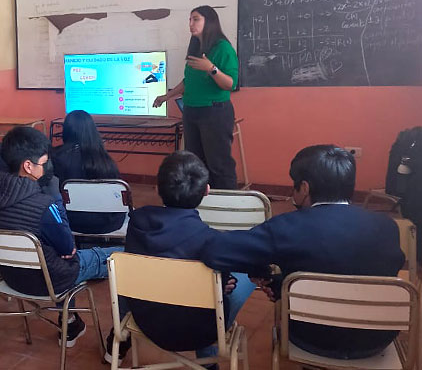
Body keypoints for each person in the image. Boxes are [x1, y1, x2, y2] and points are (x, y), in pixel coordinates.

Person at [201, 145, 405, 360]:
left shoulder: (286, 227)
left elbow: (216, 251)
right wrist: (285, 282)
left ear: (305, 188)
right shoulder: (386, 226)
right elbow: (351, 268)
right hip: (377, 338)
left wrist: (270, 275)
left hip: (310, 338)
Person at [0, 126, 122, 347]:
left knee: (52, 253)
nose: (47, 168)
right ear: (28, 166)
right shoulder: (45, 204)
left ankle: (71, 321)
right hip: (49, 280)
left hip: (9, 276)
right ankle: (121, 339)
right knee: (122, 256)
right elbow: (67, 249)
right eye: (44, 163)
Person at [115, 150, 254, 367]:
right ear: (207, 191)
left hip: (146, 322)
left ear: (157, 188)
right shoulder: (212, 240)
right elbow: (223, 284)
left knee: (207, 287)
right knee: (244, 276)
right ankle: (208, 361)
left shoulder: (137, 222)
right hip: (201, 331)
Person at [153, 5, 239, 189]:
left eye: (196, 19)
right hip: (191, 111)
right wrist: (166, 96)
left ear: (210, 22)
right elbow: (189, 80)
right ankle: (201, 202)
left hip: (214, 112)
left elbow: (230, 84)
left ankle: (227, 204)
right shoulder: (196, 46)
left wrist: (212, 68)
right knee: (195, 163)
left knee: (218, 164)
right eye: (190, 20)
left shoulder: (223, 48)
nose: (191, 24)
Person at [52, 109, 125, 234]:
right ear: (92, 131)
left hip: (71, 221)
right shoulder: (105, 160)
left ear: (67, 130)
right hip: (108, 223)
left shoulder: (55, 157)